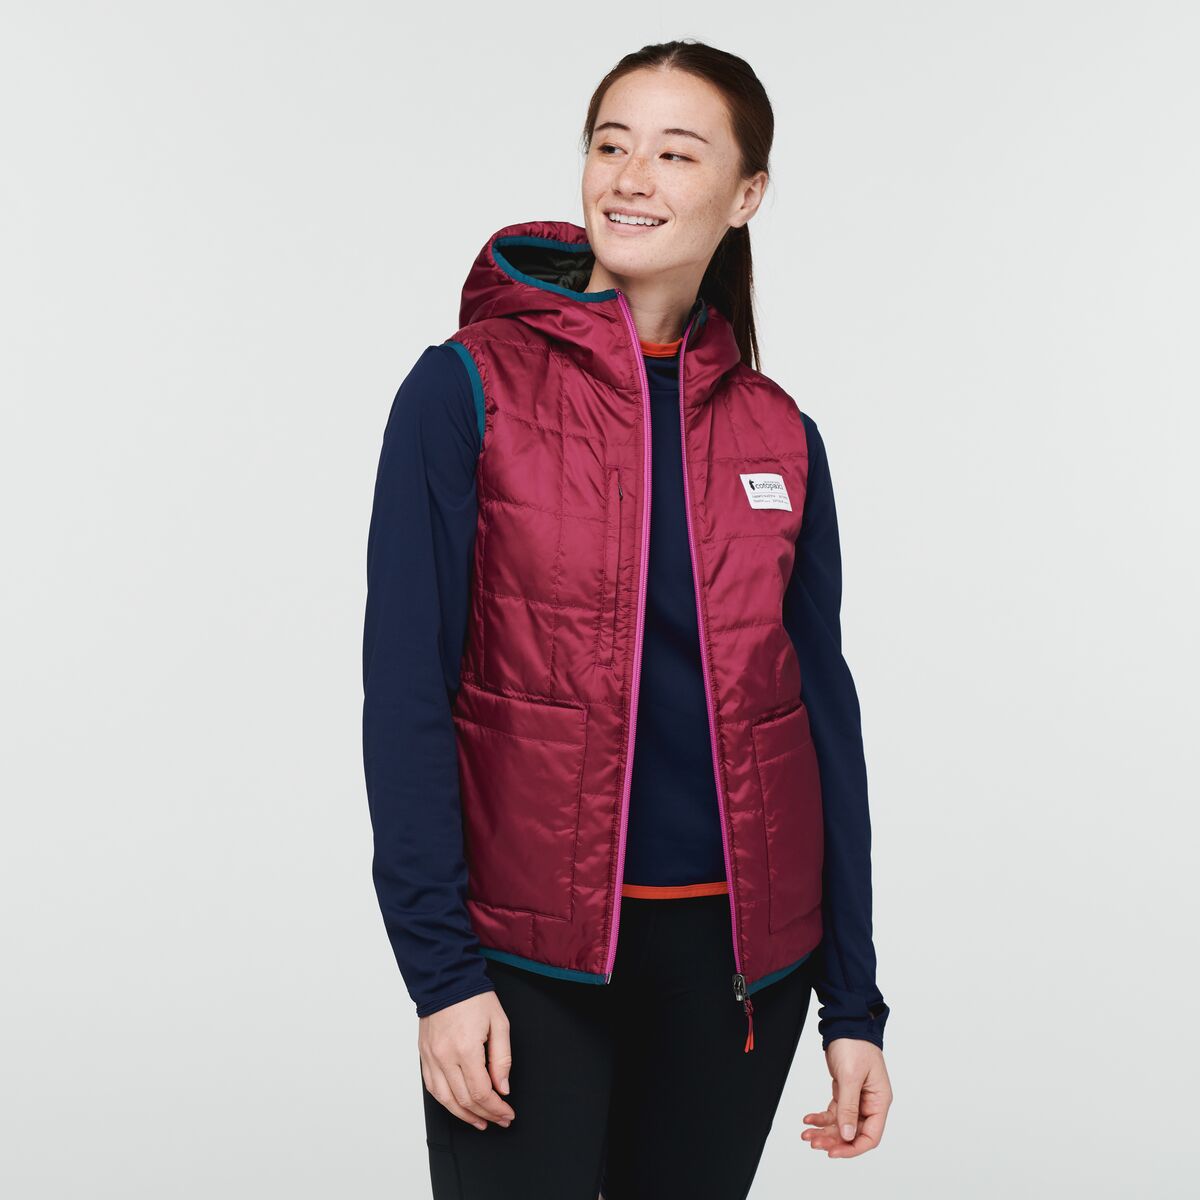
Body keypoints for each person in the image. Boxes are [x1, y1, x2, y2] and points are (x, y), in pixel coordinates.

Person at [363, 39, 894, 1199]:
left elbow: (823, 721)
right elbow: (406, 694)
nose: (632, 176)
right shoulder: (464, 390)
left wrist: (853, 1003)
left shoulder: (780, 434)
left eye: (677, 152)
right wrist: (442, 977)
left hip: (739, 972)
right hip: (524, 963)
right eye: (611, 144)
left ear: (746, 194)